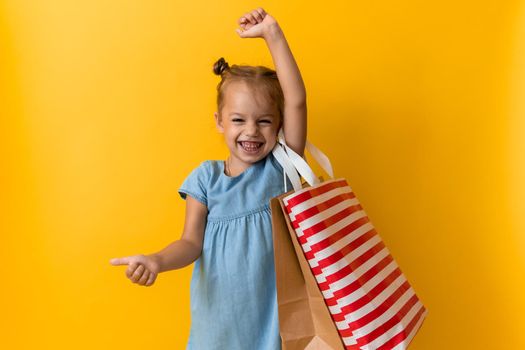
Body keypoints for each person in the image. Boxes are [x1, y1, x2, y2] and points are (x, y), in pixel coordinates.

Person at [110, 7, 307, 349]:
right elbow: (190, 243)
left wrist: (273, 34)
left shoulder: (281, 170)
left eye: (263, 121)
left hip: (274, 330)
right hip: (217, 330)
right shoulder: (205, 179)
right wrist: (156, 260)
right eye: (238, 120)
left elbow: (297, 101)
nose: (251, 131)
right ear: (219, 121)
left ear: (278, 126)